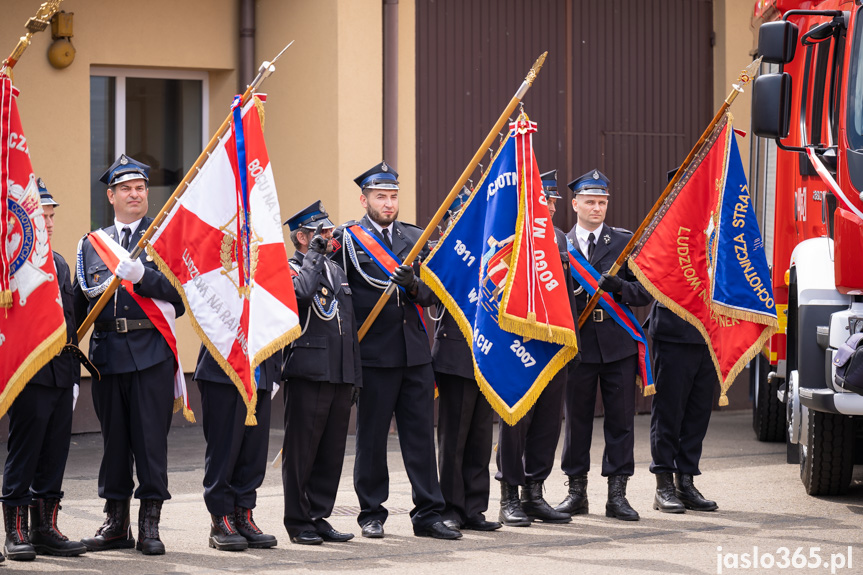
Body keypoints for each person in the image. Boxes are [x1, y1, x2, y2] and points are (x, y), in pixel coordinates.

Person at [331, 161, 460, 540]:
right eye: (380, 197)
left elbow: (437, 294)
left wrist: (415, 286)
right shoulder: (347, 240)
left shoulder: (414, 237)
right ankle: (371, 512)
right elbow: (338, 294)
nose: (388, 204)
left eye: (393, 196)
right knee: (371, 439)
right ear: (364, 199)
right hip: (372, 354)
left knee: (420, 436)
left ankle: (428, 514)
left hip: (415, 354)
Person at [73, 154, 185, 555]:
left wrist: (145, 277)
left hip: (151, 354)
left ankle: (150, 525)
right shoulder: (91, 245)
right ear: (111, 196)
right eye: (126, 188)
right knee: (114, 443)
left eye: (140, 188)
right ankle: (116, 524)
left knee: (150, 442)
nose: (135, 194)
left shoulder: (162, 240)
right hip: (106, 356)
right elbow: (79, 306)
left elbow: (182, 299)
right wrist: (70, 364)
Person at [555, 169, 652, 521]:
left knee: (621, 421)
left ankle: (618, 495)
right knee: (577, 421)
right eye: (590, 201)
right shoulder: (558, 244)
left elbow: (645, 292)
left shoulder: (625, 241)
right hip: (578, 346)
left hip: (617, 344)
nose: (597, 208)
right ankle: (576, 493)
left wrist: (619, 288)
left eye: (602, 202)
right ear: (575, 203)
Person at [1, 180, 87, 561]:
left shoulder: (60, 262)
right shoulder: (13, 263)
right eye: (43, 216)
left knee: (54, 452)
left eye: (52, 216)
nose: (49, 223)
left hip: (61, 373)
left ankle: (45, 528)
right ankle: (16, 532)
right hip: (29, 374)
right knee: (25, 453)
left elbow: (70, 319)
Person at [495, 169, 575, 527]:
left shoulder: (559, 238)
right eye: (545, 199)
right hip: (517, 344)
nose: (551, 206)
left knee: (547, 422)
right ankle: (509, 495)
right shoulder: (511, 236)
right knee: (516, 420)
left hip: (552, 343)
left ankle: (534, 492)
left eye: (553, 201)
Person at [281, 201, 362, 545]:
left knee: (331, 452)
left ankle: (318, 515)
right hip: (309, 372)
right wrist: (313, 255)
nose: (330, 236)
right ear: (302, 237)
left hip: (340, 372)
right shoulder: (291, 267)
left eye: (329, 231)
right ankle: (298, 521)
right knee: (302, 451)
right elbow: (300, 296)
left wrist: (355, 375)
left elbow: (348, 325)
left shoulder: (336, 269)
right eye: (321, 232)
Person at [647, 168, 718, 514]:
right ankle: (664, 484)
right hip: (674, 334)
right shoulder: (664, 227)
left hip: (709, 334)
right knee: (669, 413)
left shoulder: (716, 227)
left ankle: (686, 480)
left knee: (697, 412)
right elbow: (647, 275)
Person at [432, 189, 501, 532]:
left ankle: (474, 508)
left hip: (487, 354)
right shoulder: (445, 253)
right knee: (454, 438)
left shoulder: (491, 253)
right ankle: (450, 507)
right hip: (456, 354)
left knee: (479, 437)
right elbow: (428, 293)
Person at [193, 347, 280, 551]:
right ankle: (220, 519)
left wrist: (274, 370)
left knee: (254, 453)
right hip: (225, 366)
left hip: (261, 368)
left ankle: (243, 515)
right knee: (224, 451)